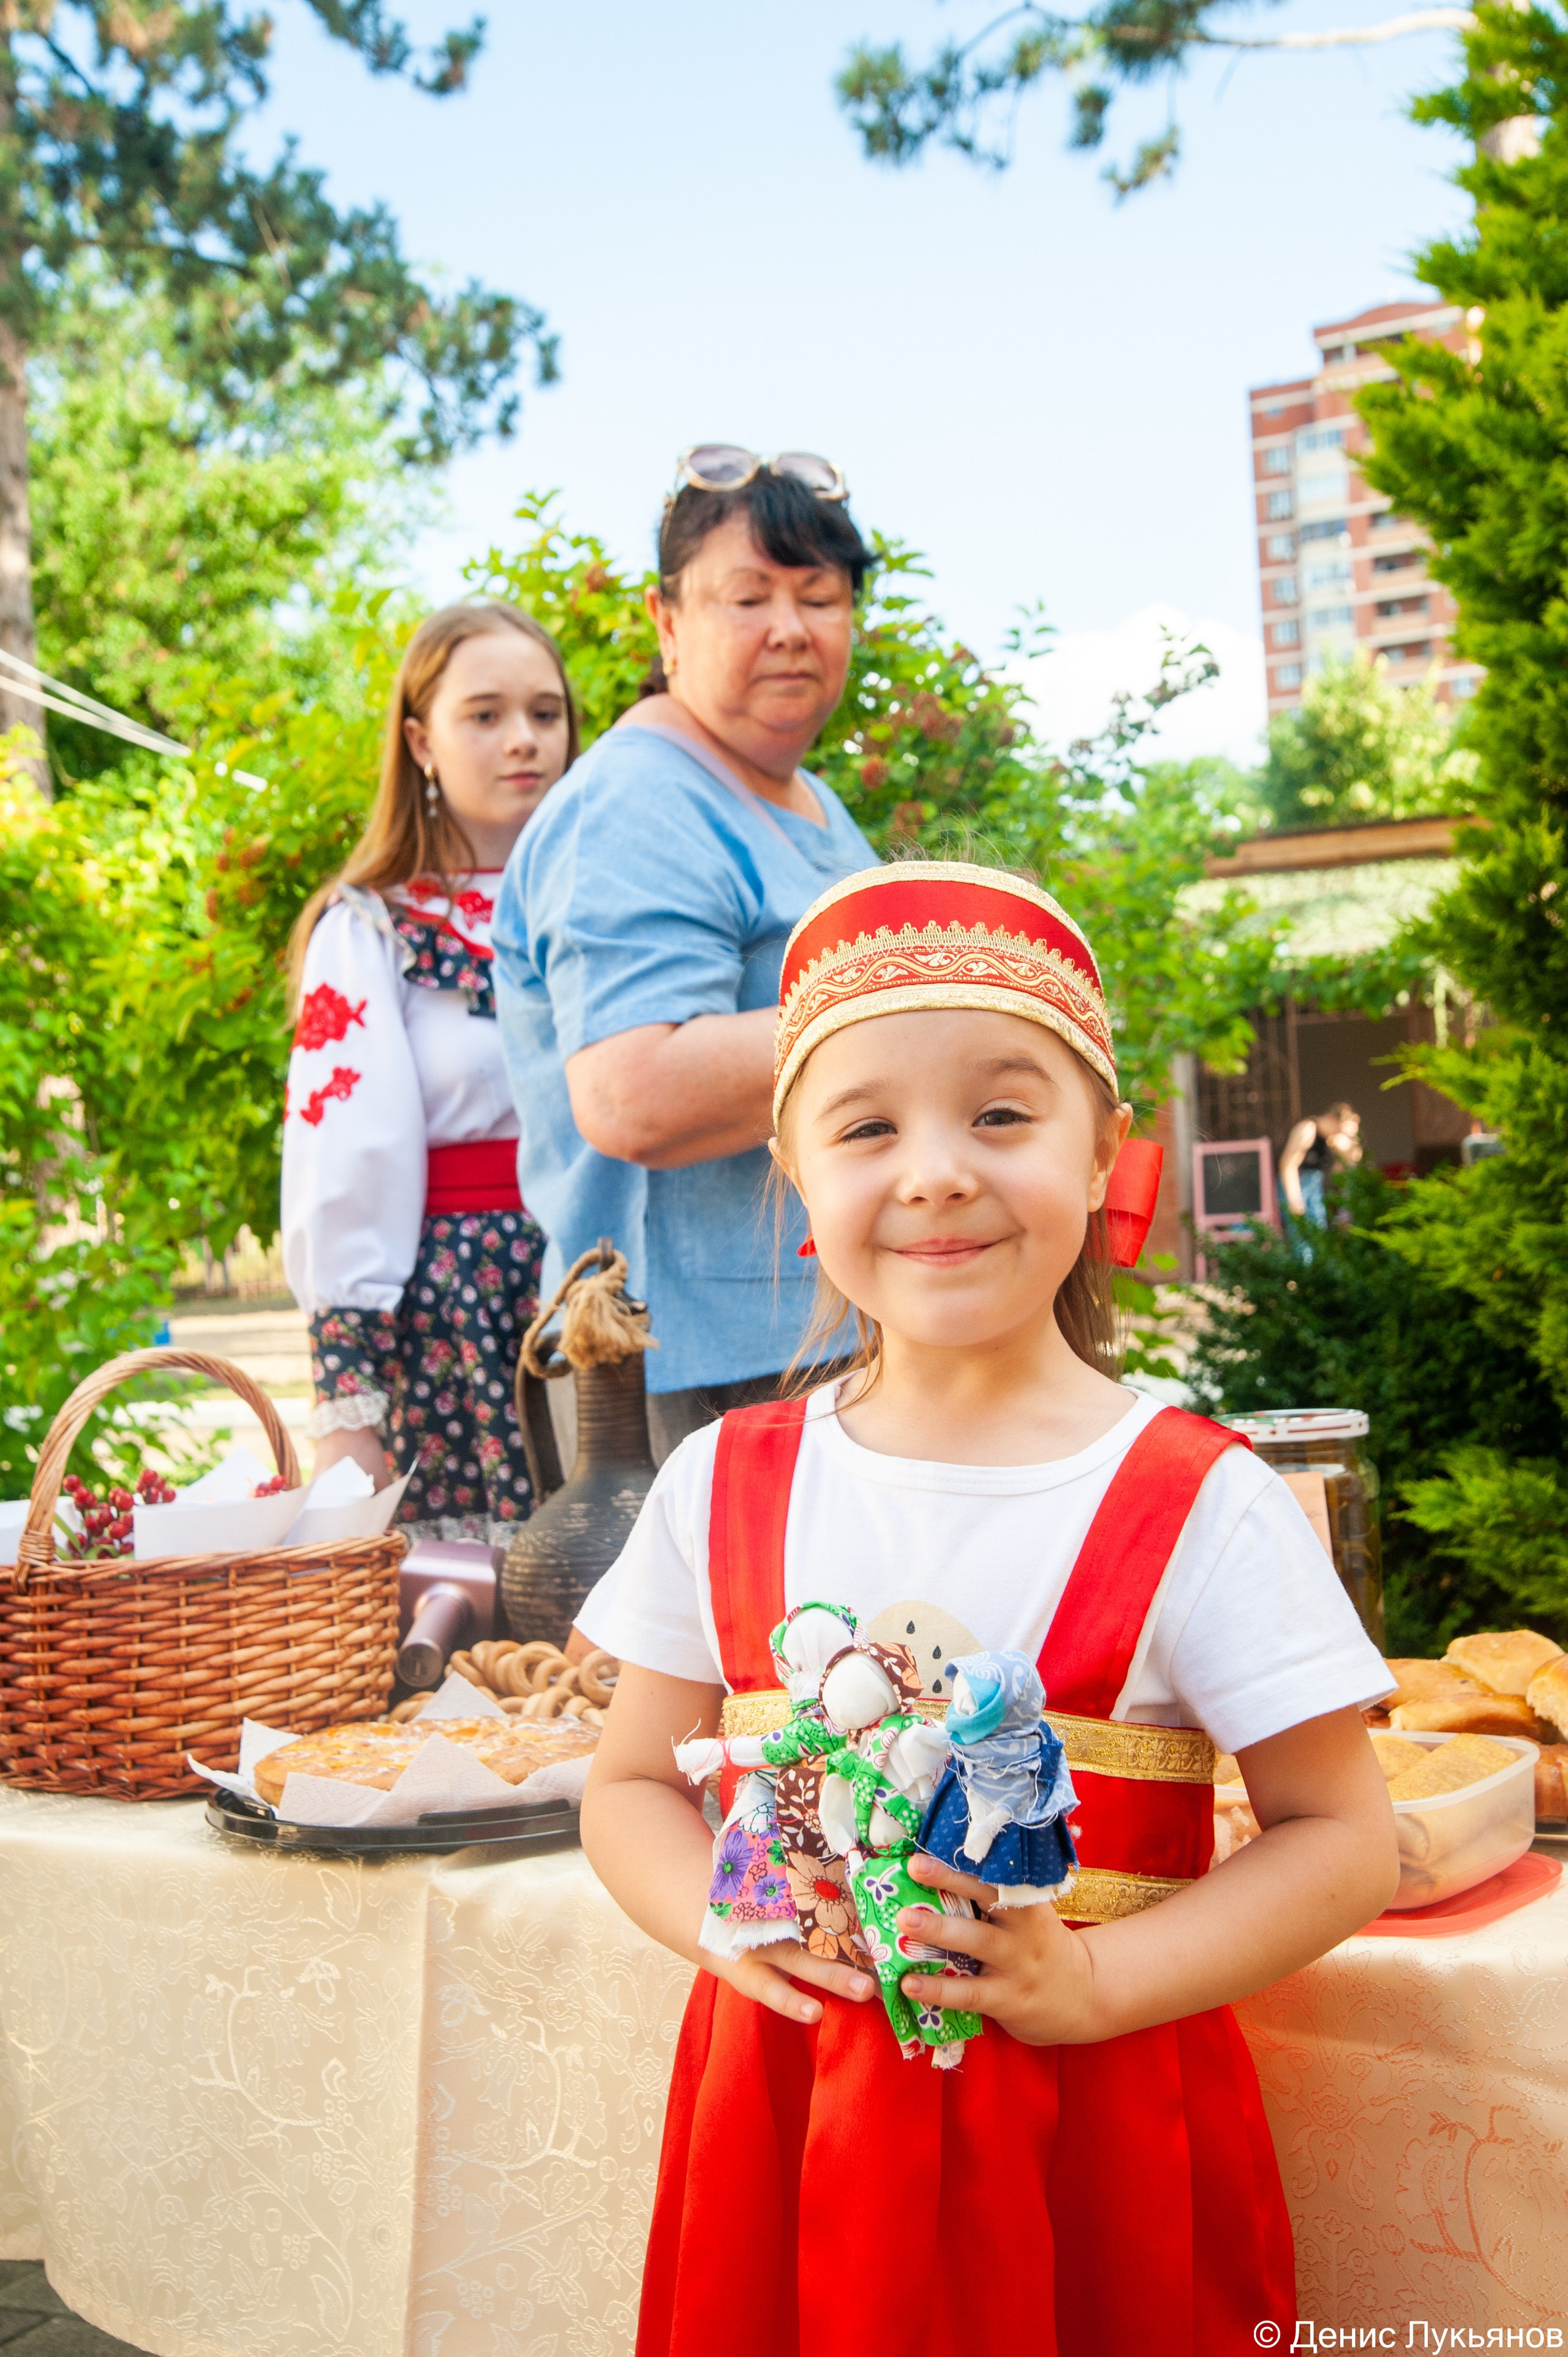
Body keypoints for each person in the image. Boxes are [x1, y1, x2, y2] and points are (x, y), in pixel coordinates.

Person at [576, 860, 1398, 2357]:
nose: (936, 1168)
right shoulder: (722, 1480)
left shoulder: (1194, 1498)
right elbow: (629, 1782)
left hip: (1095, 2138)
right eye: (867, 1126)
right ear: (797, 1177)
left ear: (1101, 1156)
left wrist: (1091, 1977)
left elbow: (1342, 1836)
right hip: (788, 2131)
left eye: (1001, 1114)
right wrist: (716, 1918)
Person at [491, 448, 876, 1464]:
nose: (790, 627)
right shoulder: (639, 802)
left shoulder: (804, 798)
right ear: (667, 623)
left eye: (821, 596)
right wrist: (898, 999)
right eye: (747, 596)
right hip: (684, 1382)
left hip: (807, 1344)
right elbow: (634, 1095)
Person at [282, 602, 577, 1544]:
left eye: (545, 712)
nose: (524, 740)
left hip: (601, 1296)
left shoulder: (609, 912)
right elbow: (345, 1161)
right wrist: (350, 1409)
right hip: (453, 1321)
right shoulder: (372, 929)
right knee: (472, 1644)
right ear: (420, 739)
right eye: (485, 715)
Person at [1280, 1100, 1362, 1225]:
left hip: (1314, 1190)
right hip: (1297, 1188)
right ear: (1331, 1119)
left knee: (1318, 1232)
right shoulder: (1308, 1128)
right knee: (1303, 1237)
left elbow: (1343, 1170)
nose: (1339, 1134)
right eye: (1339, 1128)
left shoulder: (1328, 1140)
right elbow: (1288, 1165)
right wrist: (1295, 1202)